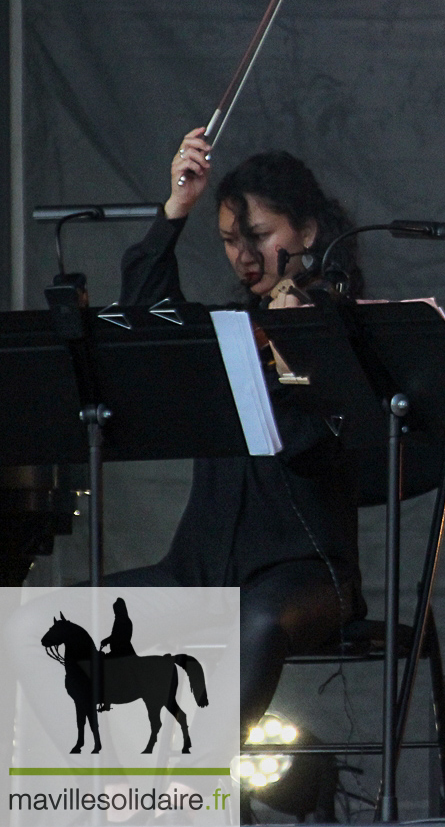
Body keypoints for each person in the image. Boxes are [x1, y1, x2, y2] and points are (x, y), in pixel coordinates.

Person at [110, 126, 366, 735]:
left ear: (306, 233)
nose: (244, 256)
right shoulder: (229, 329)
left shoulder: (342, 327)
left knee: (257, 619)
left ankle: (193, 779)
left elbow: (334, 450)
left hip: (304, 572)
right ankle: (91, 792)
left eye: (258, 236)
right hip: (199, 563)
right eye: (229, 240)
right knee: (67, 609)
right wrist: (176, 209)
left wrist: (298, 353)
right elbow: (145, 318)